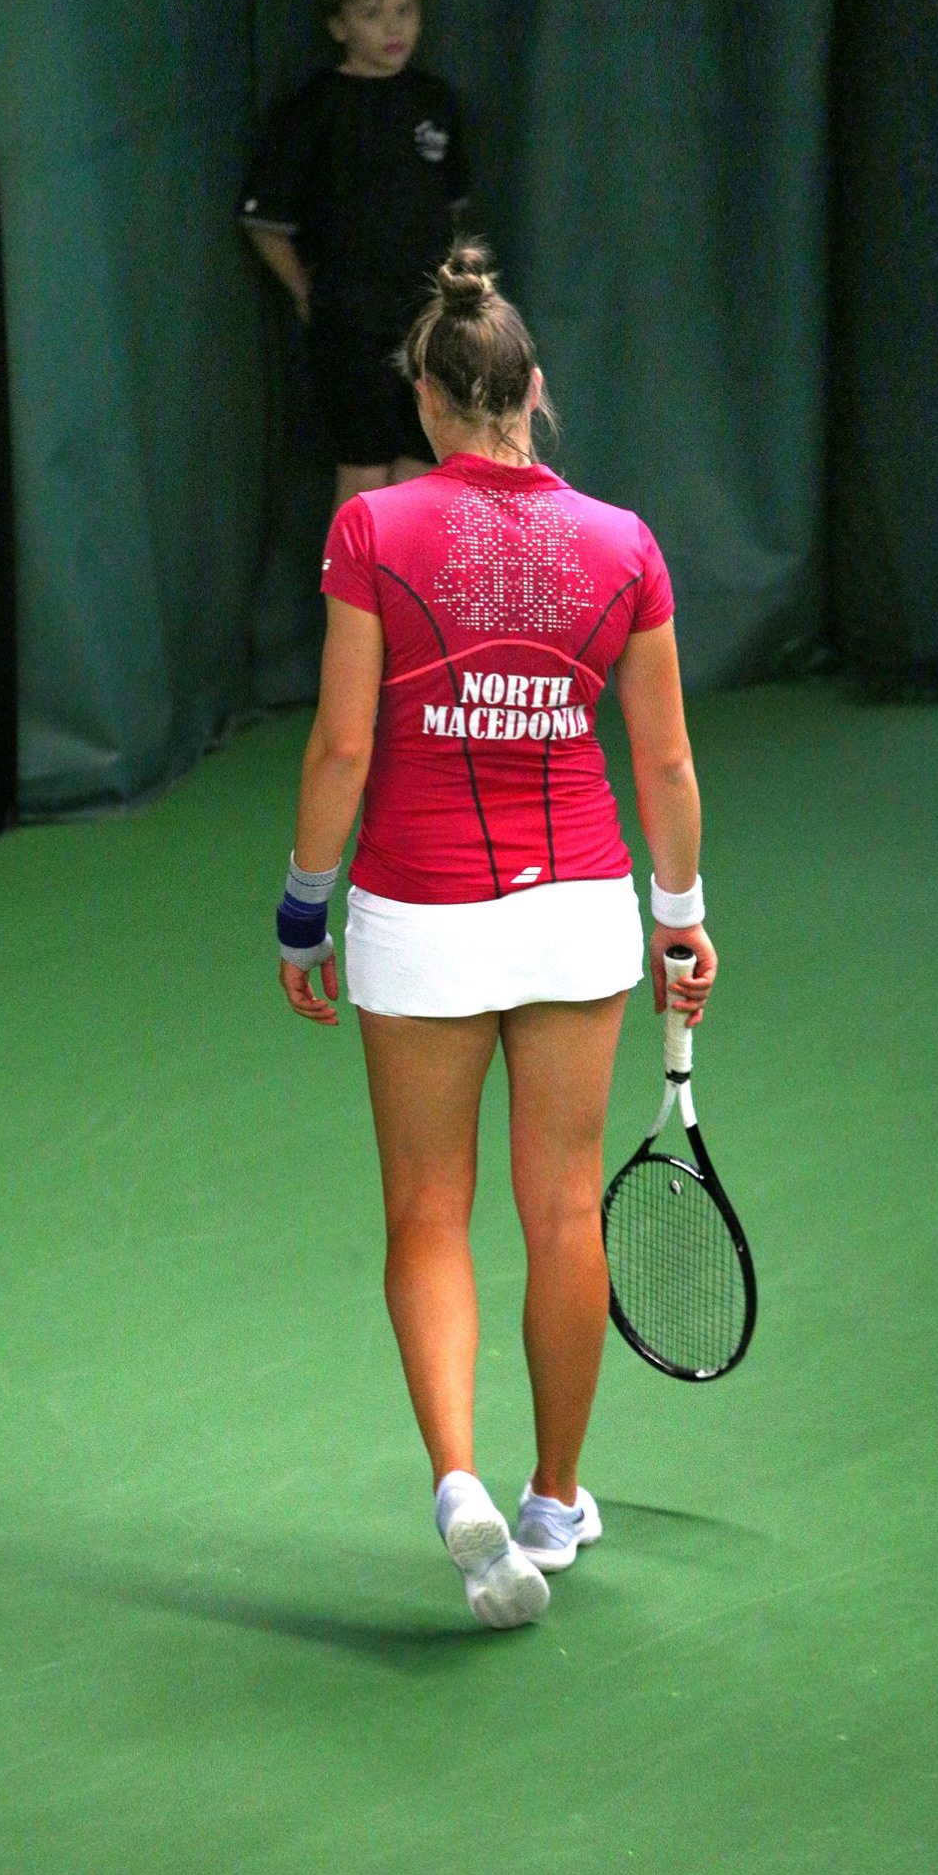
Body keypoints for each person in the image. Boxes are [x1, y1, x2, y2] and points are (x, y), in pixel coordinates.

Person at [275, 242, 717, 1631]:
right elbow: (664, 765)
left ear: (426, 401)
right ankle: (553, 1500)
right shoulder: (623, 544)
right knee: (563, 1209)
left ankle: (457, 1478)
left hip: (418, 915)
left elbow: (344, 747)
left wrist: (302, 910)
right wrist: (681, 921)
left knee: (427, 1212)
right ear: (533, 392)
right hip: (578, 910)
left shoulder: (373, 531)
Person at [238, 0, 471, 518]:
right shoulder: (314, 109)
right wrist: (305, 291)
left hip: (428, 318)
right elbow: (263, 221)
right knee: (365, 468)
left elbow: (451, 211)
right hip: (351, 323)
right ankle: (346, 583)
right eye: (372, 14)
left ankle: (402, 578)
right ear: (338, 26)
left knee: (421, 464)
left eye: (404, 10)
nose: (393, 28)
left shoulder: (434, 101)